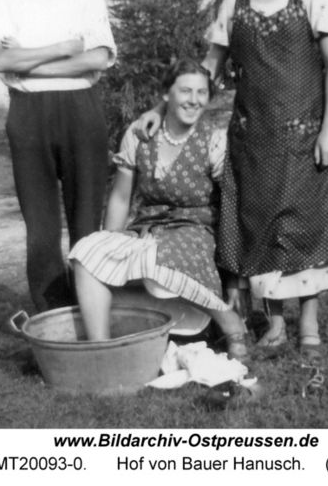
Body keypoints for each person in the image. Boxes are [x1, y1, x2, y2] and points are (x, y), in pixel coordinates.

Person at [137, 0, 328, 361]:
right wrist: (161, 108)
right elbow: (208, 70)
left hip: (305, 135)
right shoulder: (233, 5)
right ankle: (275, 323)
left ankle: (309, 324)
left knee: (307, 226)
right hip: (253, 139)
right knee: (263, 228)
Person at [68, 59, 248, 361]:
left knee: (157, 257)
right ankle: (101, 349)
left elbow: (231, 206)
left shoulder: (213, 140)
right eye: (185, 91)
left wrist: (233, 276)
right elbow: (121, 198)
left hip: (197, 230)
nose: (194, 100)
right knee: (85, 252)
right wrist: (111, 244)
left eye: (201, 93)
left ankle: (227, 319)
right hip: (147, 228)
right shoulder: (140, 134)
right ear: (167, 94)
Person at [0, 0, 117, 312]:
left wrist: (29, 62)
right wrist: (62, 49)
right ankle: (52, 314)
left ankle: (89, 307)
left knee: (86, 219)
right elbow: (1, 60)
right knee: (41, 225)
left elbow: (98, 57)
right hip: (28, 113)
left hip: (80, 108)